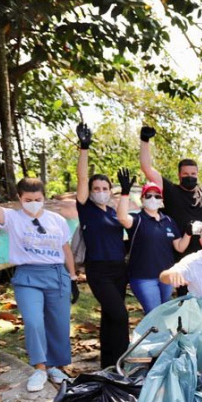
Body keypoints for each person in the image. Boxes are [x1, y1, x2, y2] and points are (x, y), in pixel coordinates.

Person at [0, 149, 78, 392]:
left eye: (37, 199)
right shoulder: (12, 218)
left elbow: (66, 249)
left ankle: (56, 366)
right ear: (19, 199)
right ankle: (40, 367)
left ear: (44, 197)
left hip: (57, 274)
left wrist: (73, 277)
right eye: (28, 200)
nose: (33, 203)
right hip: (28, 276)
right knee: (34, 322)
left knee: (59, 323)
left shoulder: (57, 220)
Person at [73, 124, 129, 369]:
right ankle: (122, 360)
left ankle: (108, 363)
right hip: (98, 270)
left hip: (119, 270)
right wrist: (84, 148)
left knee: (110, 317)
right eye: (97, 189)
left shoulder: (114, 212)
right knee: (120, 315)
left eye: (105, 189)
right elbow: (82, 177)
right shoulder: (86, 209)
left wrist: (125, 193)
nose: (100, 192)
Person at [139, 127, 202, 254]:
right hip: (176, 252)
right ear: (179, 175)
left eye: (193, 174)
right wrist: (144, 140)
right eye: (185, 174)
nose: (189, 177)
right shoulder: (171, 190)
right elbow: (147, 168)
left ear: (197, 174)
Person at [116, 172, 191, 313]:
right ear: (142, 199)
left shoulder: (168, 221)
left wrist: (188, 233)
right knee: (154, 315)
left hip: (166, 277)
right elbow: (121, 218)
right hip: (143, 278)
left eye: (157, 196)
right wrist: (125, 193)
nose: (153, 199)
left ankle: (157, 336)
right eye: (148, 195)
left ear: (161, 200)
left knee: (164, 314)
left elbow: (180, 247)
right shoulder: (137, 220)